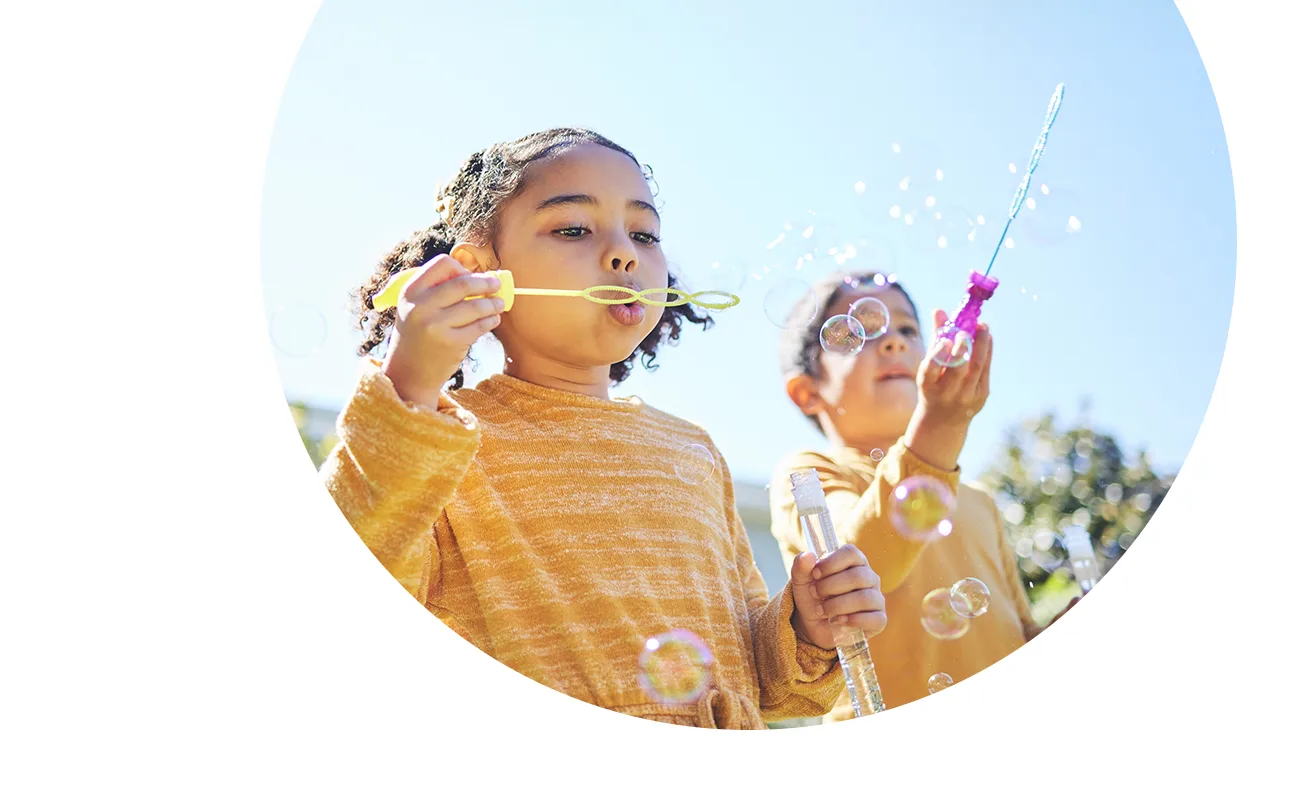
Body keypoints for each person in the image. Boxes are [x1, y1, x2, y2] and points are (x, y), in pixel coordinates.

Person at [318, 128, 887, 728]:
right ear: (478, 271)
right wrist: (408, 385)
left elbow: (751, 668)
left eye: (644, 234)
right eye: (572, 229)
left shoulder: (693, 452)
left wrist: (804, 629)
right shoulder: (437, 442)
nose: (624, 254)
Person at [767, 271, 1068, 720]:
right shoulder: (810, 473)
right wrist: (940, 427)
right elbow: (855, 567)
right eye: (862, 330)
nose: (894, 342)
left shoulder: (978, 501)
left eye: (907, 329)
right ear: (808, 391)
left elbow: (1017, 633)